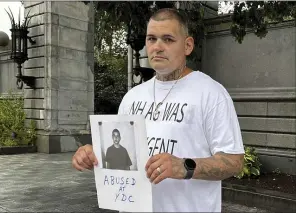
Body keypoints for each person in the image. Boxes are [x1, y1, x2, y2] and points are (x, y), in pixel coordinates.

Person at [72, 8, 245, 212]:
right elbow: (122, 153)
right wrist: (94, 154)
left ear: (188, 45)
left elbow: (234, 162)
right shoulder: (132, 97)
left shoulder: (211, 93)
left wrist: (185, 167)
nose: (157, 47)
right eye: (151, 39)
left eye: (168, 39)